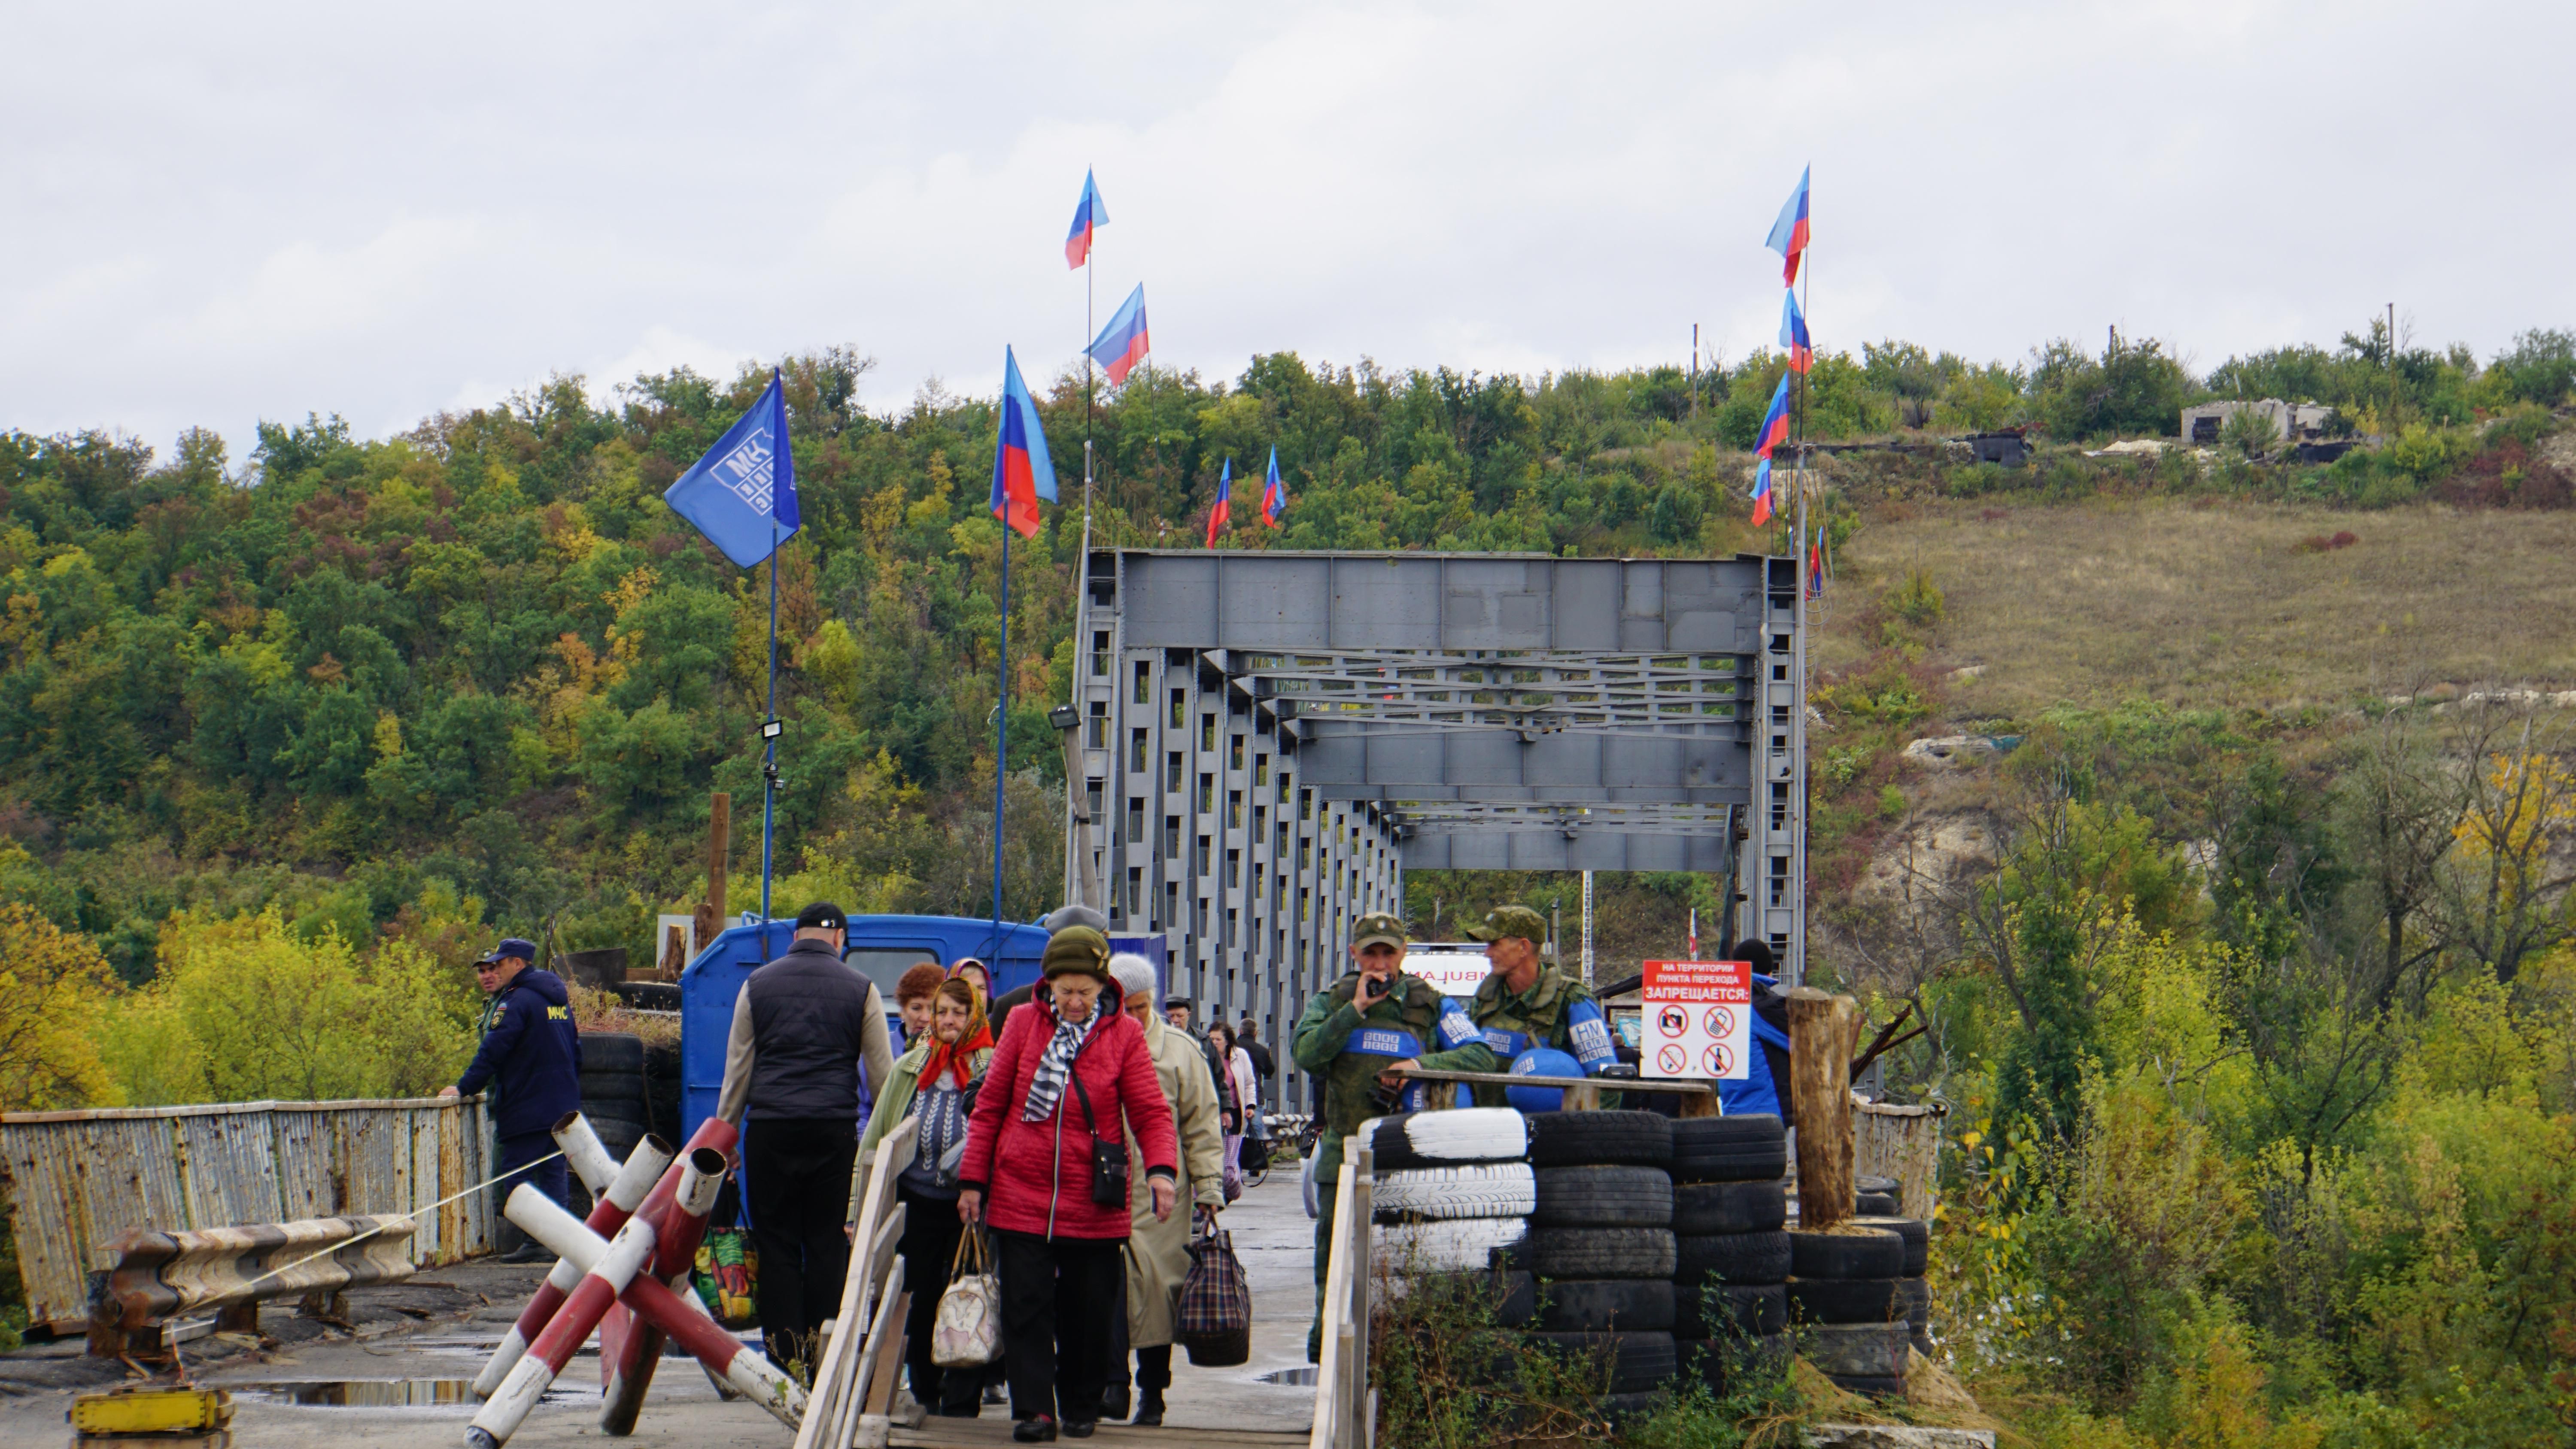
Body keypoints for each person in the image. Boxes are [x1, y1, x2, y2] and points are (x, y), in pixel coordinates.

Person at [957, 925, 1179, 1443]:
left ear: (1103, 986)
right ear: (1049, 984)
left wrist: (1162, 1170)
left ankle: (1082, 1402)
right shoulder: (1019, 1023)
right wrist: (974, 1179)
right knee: (1025, 1306)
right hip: (1020, 1190)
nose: (1076, 1002)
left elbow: (1150, 1110)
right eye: (1066, 991)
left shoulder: (1122, 1033)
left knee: (1089, 1310)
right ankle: (1035, 1409)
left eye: (1086, 991)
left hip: (1094, 1196)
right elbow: (990, 1106)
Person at [1288, 912, 1487, 1359]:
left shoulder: (1429, 1002)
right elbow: (1307, 1054)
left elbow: (1480, 1054)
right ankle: (1328, 1371)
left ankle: (1400, 1369)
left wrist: (1420, 1067)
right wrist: (1354, 1009)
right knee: (1334, 1269)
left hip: (1408, 1157)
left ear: (1403, 953)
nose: (1379, 962)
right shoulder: (1333, 1000)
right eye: (1370, 952)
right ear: (1355, 954)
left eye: (1388, 952)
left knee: (1403, 1269)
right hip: (1344, 1155)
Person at [716, 901, 895, 1373]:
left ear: (795, 937)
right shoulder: (862, 989)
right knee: (826, 1244)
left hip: (770, 1129)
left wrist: (725, 1135)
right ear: (840, 938)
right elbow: (882, 1079)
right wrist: (891, 1138)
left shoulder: (756, 985)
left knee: (775, 1244)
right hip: (833, 1131)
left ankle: (785, 1360)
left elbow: (738, 1070)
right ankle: (825, 1358)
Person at [858, 976, 996, 1418]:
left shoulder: (990, 1066)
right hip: (917, 1200)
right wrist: (857, 1207)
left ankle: (963, 1394)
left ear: (974, 1016)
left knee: (970, 1294)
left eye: (959, 1012)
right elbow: (878, 1136)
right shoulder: (912, 1067)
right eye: (942, 1012)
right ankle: (925, 1386)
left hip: (972, 1205)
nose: (949, 1020)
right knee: (917, 1295)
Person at [1101, 953, 1224, 1427]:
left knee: (1158, 1293)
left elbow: (1201, 1122)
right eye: (1126, 1007)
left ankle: (1153, 1392)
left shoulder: (1179, 1050)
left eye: (1142, 1006)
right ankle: (1113, 1384)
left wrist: (1210, 1185)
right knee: (1106, 1287)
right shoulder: (1096, 1044)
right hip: (1106, 1188)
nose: (1136, 1017)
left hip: (1162, 1197)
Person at [1376, 904, 1617, 1106]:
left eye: (1494, 944)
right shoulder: (1487, 997)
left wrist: (1589, 1141)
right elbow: (1469, 1057)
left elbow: (1606, 1082)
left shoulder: (1572, 1000)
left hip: (1552, 1138)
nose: (1487, 953)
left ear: (1523, 947)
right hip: (1493, 1135)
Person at [441, 937, 581, 1264]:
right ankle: (555, 1244)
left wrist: (463, 1088)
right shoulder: (558, 1000)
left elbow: (493, 1051)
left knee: (516, 1175)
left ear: (518, 964)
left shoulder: (516, 1002)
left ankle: (534, 1242)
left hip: (526, 1104)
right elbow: (576, 1051)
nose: (497, 969)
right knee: (552, 1172)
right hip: (562, 1104)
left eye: (501, 963)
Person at [1206, 1022, 1256, 1192]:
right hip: (1212, 1112)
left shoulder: (1239, 1055)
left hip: (1234, 1110)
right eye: (1211, 1039)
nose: (1214, 1043)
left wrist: (1251, 1105)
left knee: (1229, 1163)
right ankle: (1217, 1188)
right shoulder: (1205, 1056)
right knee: (1214, 1153)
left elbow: (1249, 1083)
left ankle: (1232, 1187)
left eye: (1218, 1039)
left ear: (1227, 1041)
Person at [894, 962, 947, 1051]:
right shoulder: (881, 1047)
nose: (925, 1018)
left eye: (933, 1009)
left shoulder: (955, 1052)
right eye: (916, 1008)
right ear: (903, 1011)